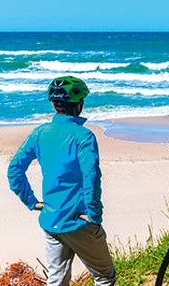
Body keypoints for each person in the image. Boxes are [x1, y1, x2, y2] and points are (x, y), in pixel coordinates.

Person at [7, 76, 115, 286]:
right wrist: (94, 215)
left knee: (57, 280)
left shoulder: (40, 133)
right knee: (104, 277)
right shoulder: (83, 137)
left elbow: (14, 170)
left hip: (51, 219)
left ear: (53, 104)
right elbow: (91, 178)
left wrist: (31, 201)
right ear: (80, 104)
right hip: (79, 222)